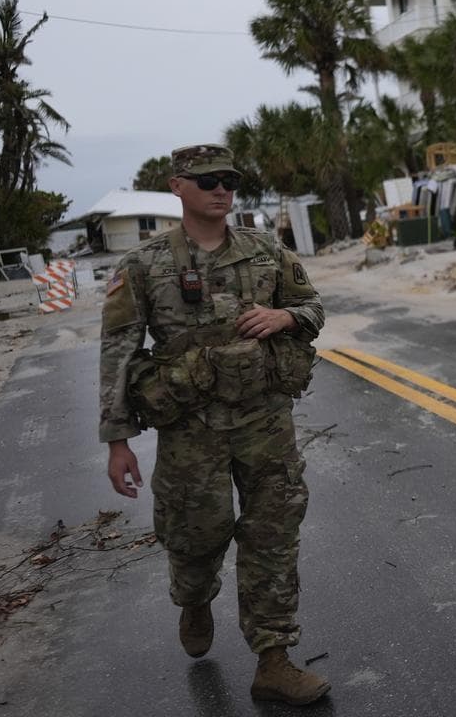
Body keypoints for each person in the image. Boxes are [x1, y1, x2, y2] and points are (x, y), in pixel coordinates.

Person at [99, 144, 329, 705]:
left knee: (273, 534)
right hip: (190, 427)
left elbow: (314, 309)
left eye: (228, 179)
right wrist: (117, 441)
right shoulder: (145, 264)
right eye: (207, 181)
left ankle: (273, 658)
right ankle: (195, 599)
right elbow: (118, 353)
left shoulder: (266, 251)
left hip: (265, 419)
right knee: (196, 537)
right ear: (178, 187)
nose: (221, 189)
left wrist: (285, 316)